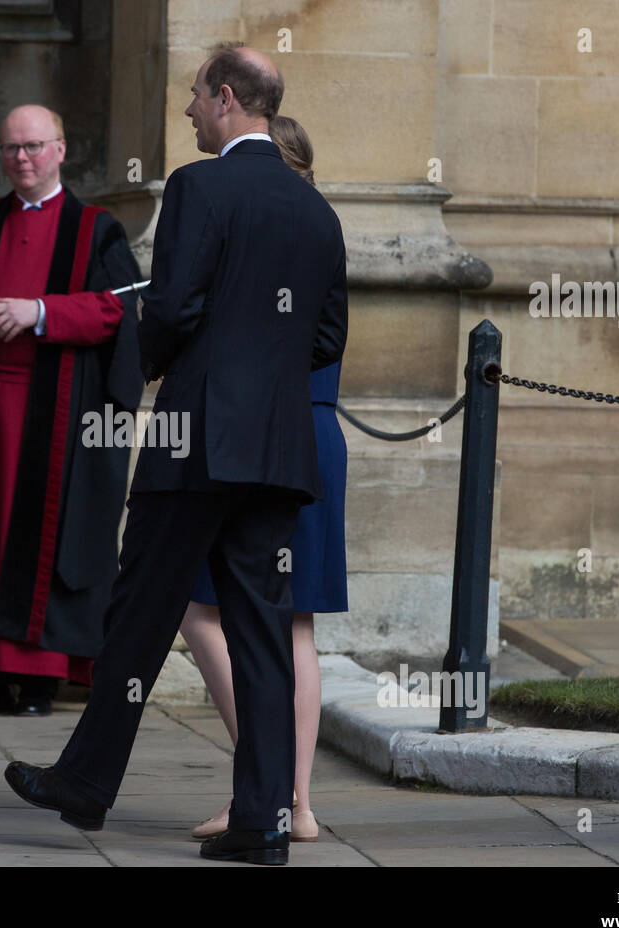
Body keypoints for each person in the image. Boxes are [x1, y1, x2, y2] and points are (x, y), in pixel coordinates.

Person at [4, 43, 348, 865]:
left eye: (196, 97)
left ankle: (86, 783)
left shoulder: (201, 185)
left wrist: (145, 367)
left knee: (140, 613)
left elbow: (173, 305)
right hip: (276, 450)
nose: (190, 111)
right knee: (262, 635)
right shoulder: (316, 211)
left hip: (195, 439)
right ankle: (262, 823)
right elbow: (327, 335)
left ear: (227, 99)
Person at [0, 104, 143, 718]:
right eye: (12, 149)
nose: (23, 158)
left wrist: (38, 312)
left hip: (58, 414)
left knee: (40, 536)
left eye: (35, 146)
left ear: (61, 150)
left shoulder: (97, 230)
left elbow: (116, 312)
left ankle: (37, 679)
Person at [182, 114, 347, 843]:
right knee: (292, 624)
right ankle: (293, 802)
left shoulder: (257, 238)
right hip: (311, 430)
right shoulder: (316, 227)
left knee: (206, 611)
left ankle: (267, 782)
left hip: (264, 436)